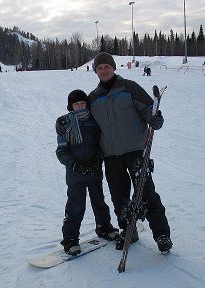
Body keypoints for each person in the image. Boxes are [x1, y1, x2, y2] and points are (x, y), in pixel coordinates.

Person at [88, 52, 172, 254]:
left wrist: (155, 119)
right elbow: (91, 128)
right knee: (119, 198)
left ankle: (161, 235)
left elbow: (149, 110)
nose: (104, 70)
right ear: (96, 71)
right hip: (111, 156)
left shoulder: (130, 87)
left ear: (114, 68)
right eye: (100, 68)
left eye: (107, 67)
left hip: (135, 152)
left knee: (146, 193)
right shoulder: (93, 97)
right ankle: (128, 230)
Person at [55, 89, 119, 256]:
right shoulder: (64, 124)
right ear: (71, 106)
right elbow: (61, 151)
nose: (80, 106)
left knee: (99, 201)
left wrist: (98, 159)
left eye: (83, 103)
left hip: (94, 169)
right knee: (76, 206)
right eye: (77, 104)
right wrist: (74, 165)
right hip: (75, 172)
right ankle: (70, 239)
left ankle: (103, 227)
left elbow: (100, 144)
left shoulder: (94, 122)